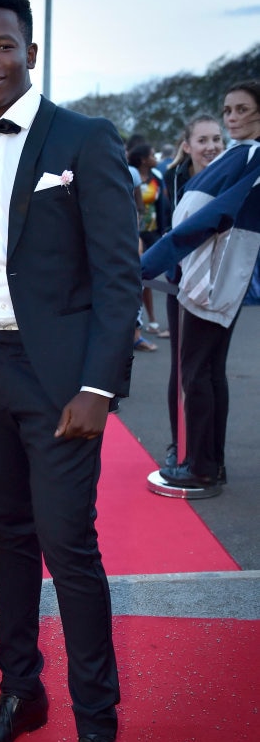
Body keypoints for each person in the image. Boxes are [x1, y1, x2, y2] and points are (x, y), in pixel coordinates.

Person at [0, 0, 142, 742]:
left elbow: (118, 272)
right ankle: (19, 693)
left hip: (60, 381)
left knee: (70, 548)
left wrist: (97, 386)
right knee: (7, 539)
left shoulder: (84, 140)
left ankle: (97, 731)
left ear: (31, 50)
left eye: (2, 45)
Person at [144, 81, 260, 489]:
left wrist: (147, 262)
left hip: (209, 279)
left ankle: (199, 466)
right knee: (206, 373)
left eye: (242, 110)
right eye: (228, 110)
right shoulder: (239, 155)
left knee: (197, 373)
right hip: (204, 276)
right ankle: (208, 460)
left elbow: (210, 219)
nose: (232, 118)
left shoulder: (249, 156)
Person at [161, 115, 224, 468]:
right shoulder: (175, 179)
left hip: (222, 280)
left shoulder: (234, 172)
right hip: (178, 281)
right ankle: (179, 445)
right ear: (187, 146)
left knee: (213, 369)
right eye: (203, 140)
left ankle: (211, 456)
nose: (211, 146)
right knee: (183, 367)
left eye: (217, 139)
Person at [128, 142, 168, 336]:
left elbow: (164, 203)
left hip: (152, 232)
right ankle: (138, 324)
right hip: (135, 232)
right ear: (144, 159)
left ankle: (151, 321)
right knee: (140, 277)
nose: (156, 158)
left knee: (149, 276)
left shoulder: (156, 178)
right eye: (153, 154)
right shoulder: (131, 174)